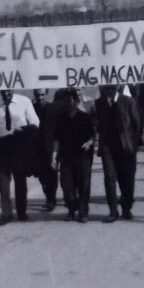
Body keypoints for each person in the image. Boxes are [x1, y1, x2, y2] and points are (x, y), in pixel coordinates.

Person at [94, 84, 141, 222]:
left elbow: (136, 124)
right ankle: (113, 211)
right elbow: (97, 123)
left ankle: (126, 207)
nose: (108, 91)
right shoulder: (99, 103)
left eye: (111, 88)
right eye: (105, 88)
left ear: (117, 87)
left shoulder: (128, 101)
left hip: (125, 147)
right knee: (109, 178)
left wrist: (131, 142)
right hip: (108, 147)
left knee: (127, 179)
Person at [0, 89, 40, 225]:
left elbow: (35, 123)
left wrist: (23, 129)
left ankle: (21, 211)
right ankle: (6, 213)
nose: (6, 94)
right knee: (3, 180)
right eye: (3, 91)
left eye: (8, 91)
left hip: (19, 143)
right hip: (2, 145)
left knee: (20, 178)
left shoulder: (24, 101)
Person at [53, 90, 96, 223]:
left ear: (75, 101)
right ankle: (71, 209)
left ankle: (83, 212)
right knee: (67, 185)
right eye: (65, 101)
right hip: (66, 156)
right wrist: (53, 156)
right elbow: (56, 140)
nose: (67, 103)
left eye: (69, 100)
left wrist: (88, 144)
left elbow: (92, 136)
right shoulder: (60, 119)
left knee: (83, 184)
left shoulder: (84, 117)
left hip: (82, 156)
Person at [32, 89, 58, 212]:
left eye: (42, 95)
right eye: (38, 95)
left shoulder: (52, 108)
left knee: (52, 173)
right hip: (37, 147)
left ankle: (51, 199)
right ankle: (49, 196)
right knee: (41, 175)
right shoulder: (32, 108)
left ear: (46, 95)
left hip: (51, 146)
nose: (40, 98)